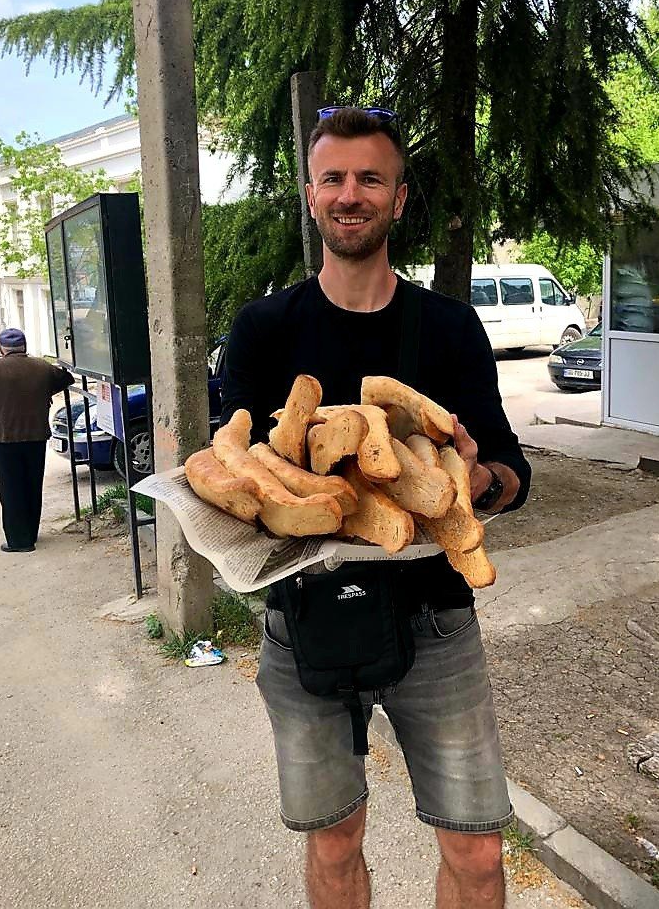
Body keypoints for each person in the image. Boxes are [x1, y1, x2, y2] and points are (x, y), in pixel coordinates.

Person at [220, 106, 531, 908]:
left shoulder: (449, 327)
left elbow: (512, 469)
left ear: (398, 197)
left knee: (478, 852)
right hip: (304, 619)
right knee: (334, 842)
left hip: (437, 618)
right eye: (333, 178)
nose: (350, 194)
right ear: (311, 195)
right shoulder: (262, 329)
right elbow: (231, 465)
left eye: (370, 178)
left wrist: (477, 480)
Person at [0, 328, 74, 553]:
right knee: (32, 485)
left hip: (4, 440)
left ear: (2, 348)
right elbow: (66, 378)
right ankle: (31, 534)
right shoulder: (42, 367)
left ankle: (18, 541)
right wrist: (43, 391)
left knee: (11, 489)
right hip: (36, 438)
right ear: (24, 346)